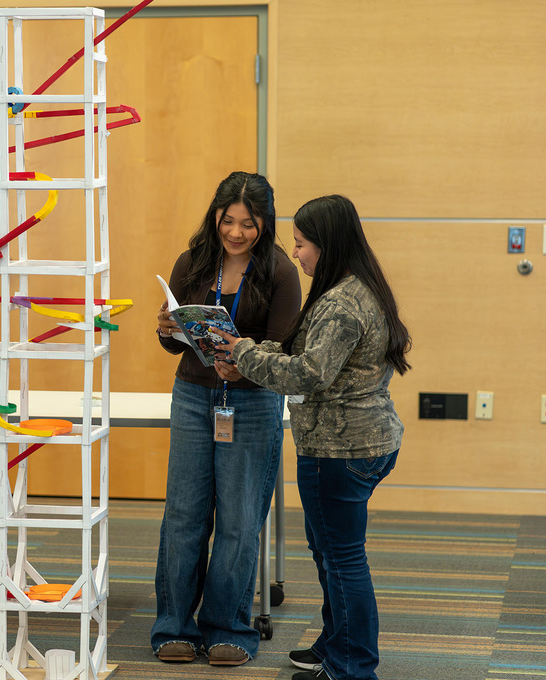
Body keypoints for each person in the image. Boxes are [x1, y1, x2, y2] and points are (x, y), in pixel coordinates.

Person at [213, 194, 411, 680]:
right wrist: (247, 351)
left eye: (301, 245)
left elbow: (308, 373)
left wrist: (242, 354)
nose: (295, 254)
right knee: (330, 553)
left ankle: (352, 667)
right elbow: (306, 354)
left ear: (327, 245)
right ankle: (335, 645)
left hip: (340, 449)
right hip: (362, 441)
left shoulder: (343, 301)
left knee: (343, 561)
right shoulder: (357, 287)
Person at [151, 171, 301, 666]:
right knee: (185, 515)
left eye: (248, 224)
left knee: (239, 520)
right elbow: (173, 341)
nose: (236, 232)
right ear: (215, 215)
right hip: (195, 396)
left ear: (265, 224)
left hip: (253, 403)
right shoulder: (192, 261)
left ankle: (229, 627)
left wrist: (244, 360)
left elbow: (283, 350)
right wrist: (167, 329)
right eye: (228, 220)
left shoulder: (279, 270)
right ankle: (174, 625)